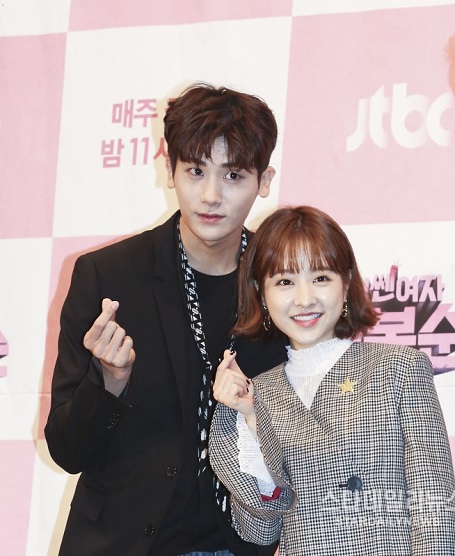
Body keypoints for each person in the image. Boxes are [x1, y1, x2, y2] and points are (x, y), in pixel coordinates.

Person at [44, 83, 288, 556]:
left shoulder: (284, 283)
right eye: (196, 171)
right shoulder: (107, 277)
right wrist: (107, 382)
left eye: (234, 175)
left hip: (242, 543)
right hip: (121, 543)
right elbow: (67, 451)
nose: (211, 195)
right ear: (170, 170)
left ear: (265, 180)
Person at [209, 205, 455, 555]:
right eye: (284, 282)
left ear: (347, 282)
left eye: (321, 278)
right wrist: (248, 419)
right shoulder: (257, 393)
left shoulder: (399, 368)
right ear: (261, 295)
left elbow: (434, 507)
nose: (304, 299)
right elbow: (259, 531)